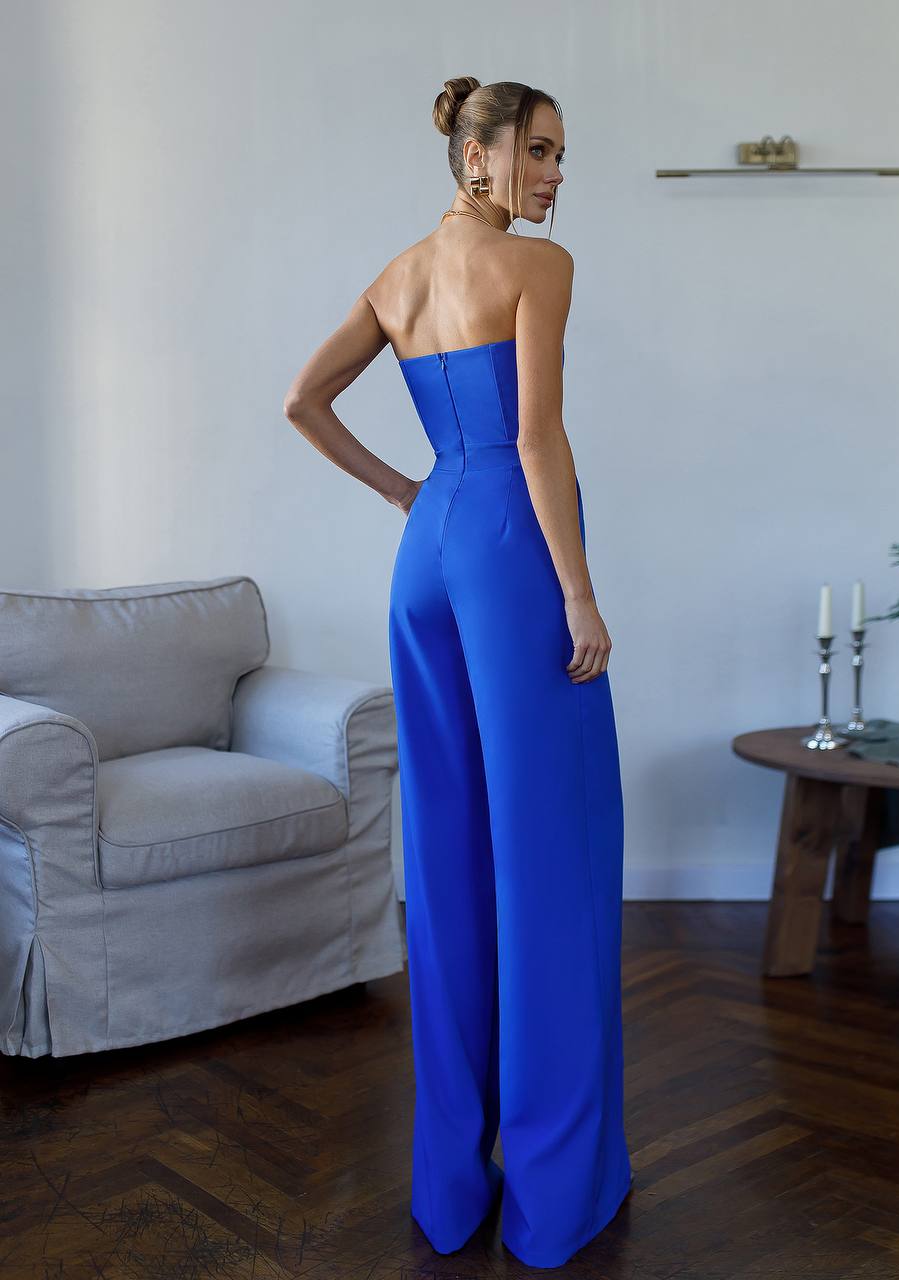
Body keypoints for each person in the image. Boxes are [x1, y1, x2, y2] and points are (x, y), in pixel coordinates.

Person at [283, 76, 632, 1270]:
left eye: (559, 156)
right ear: (474, 156)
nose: (551, 175)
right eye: (535, 152)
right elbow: (536, 438)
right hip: (508, 556)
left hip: (427, 551)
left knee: (446, 852)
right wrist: (578, 591)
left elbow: (301, 399)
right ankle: (551, 1191)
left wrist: (402, 491)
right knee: (552, 849)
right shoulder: (539, 269)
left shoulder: (396, 276)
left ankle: (450, 1186)